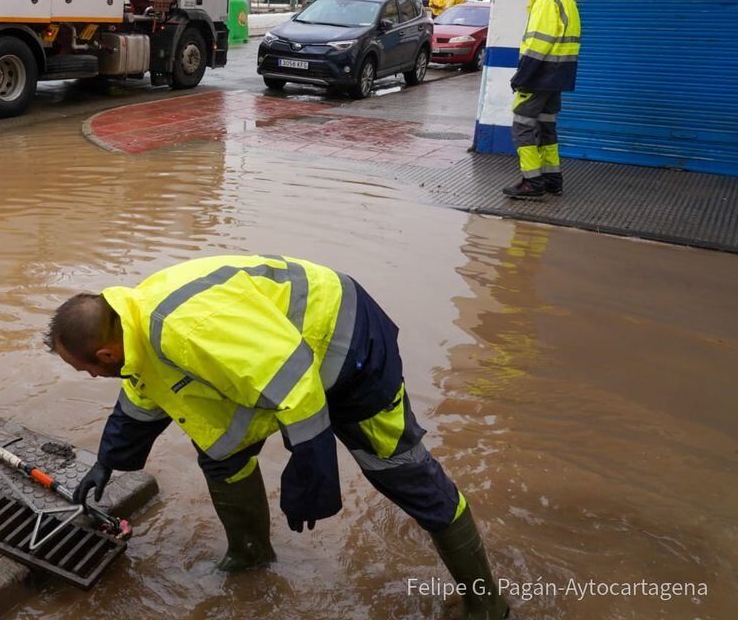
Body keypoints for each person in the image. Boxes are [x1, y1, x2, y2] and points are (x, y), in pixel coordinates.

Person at [48, 255, 509, 619]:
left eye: (85, 368)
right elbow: (143, 392)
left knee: (402, 472)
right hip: (278, 362)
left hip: (345, 345)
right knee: (221, 453)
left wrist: (311, 473)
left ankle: (486, 603)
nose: (89, 376)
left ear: (105, 352)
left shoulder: (187, 331)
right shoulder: (134, 323)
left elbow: (299, 389)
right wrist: (106, 461)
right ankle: (249, 556)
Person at [503, 0, 581, 199]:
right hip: (557, 77)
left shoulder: (546, 1)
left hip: (540, 74)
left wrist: (521, 76)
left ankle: (532, 182)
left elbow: (539, 44)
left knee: (522, 126)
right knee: (547, 127)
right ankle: (552, 179)